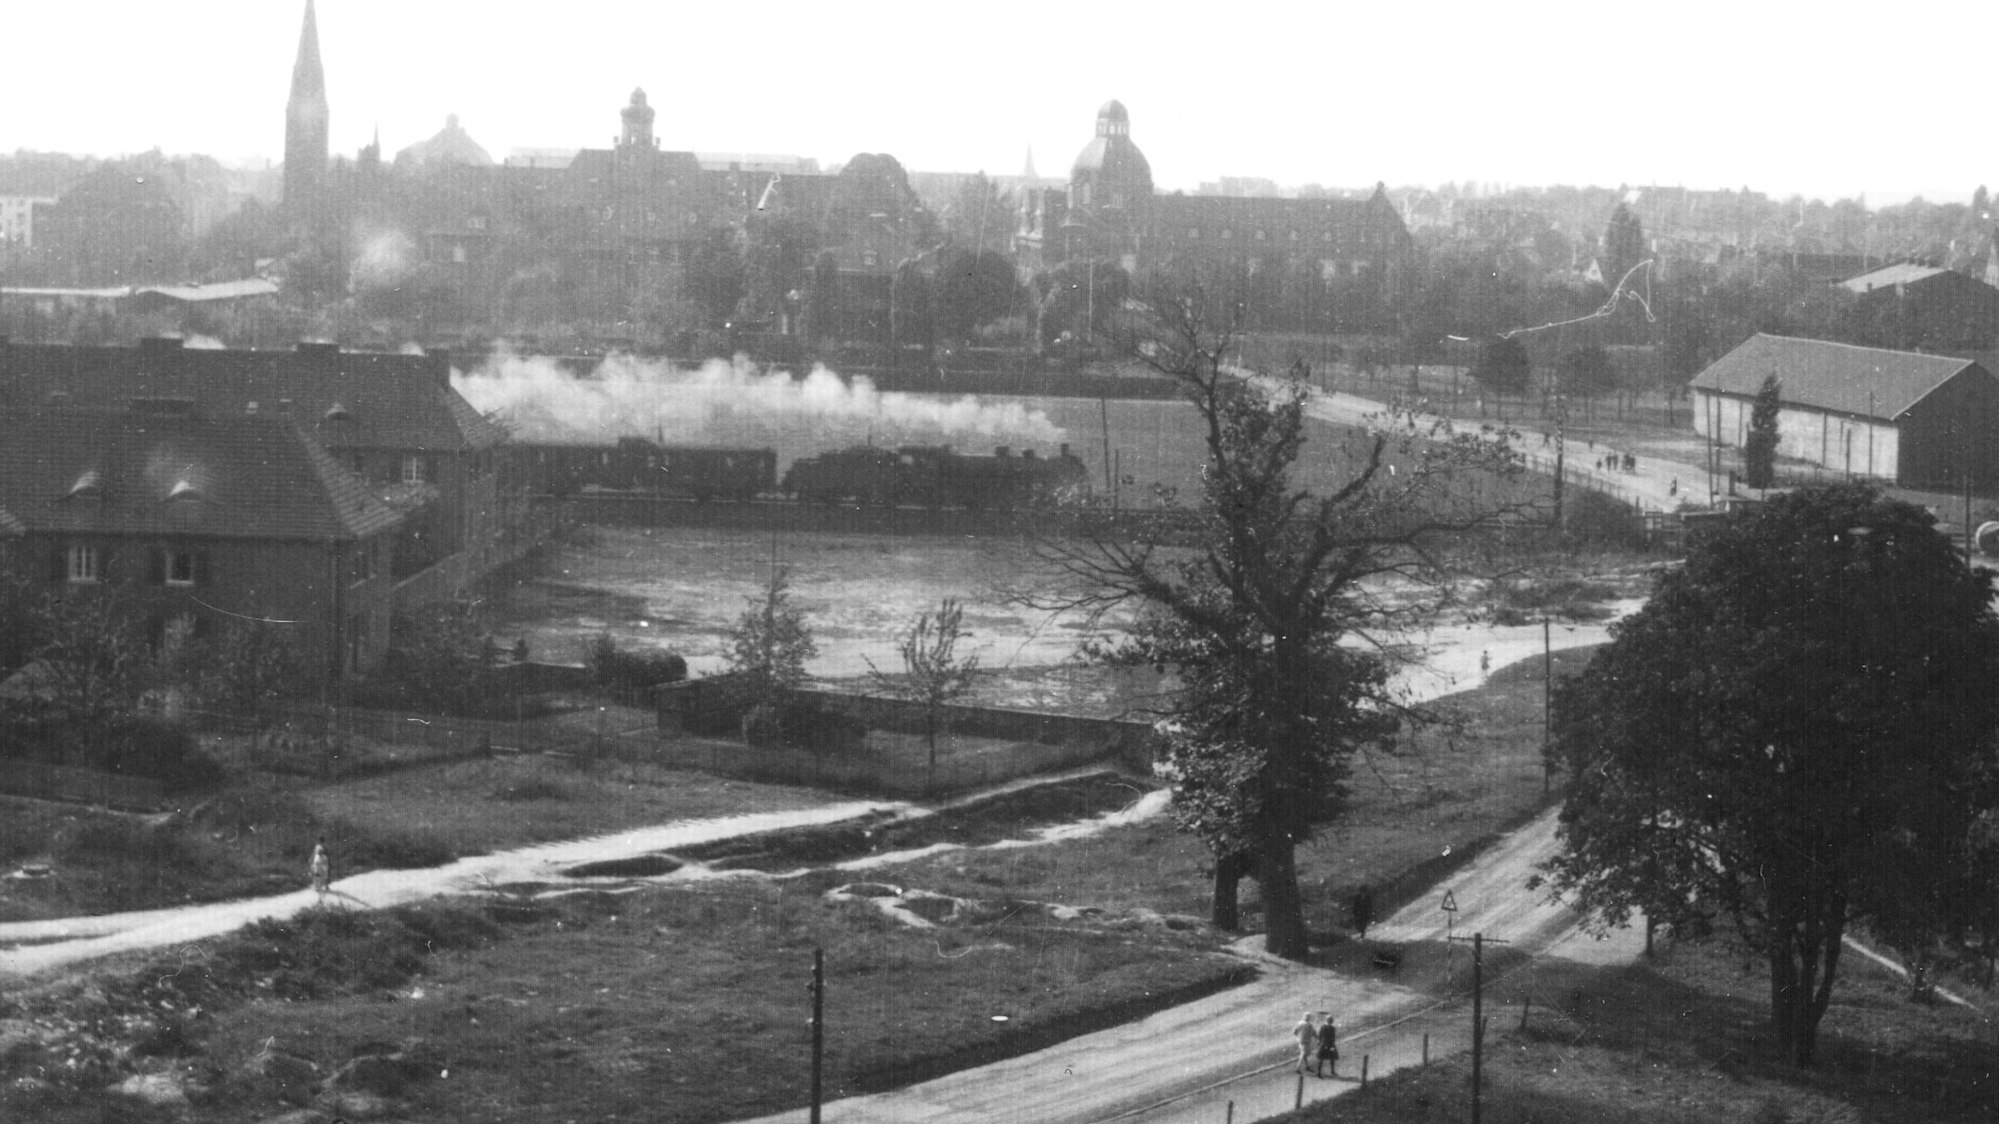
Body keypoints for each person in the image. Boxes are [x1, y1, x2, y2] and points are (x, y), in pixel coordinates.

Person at [1314, 1014, 1340, 1078]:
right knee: (1328, 1058)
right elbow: (1322, 1036)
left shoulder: (1326, 1027)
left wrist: (1319, 1042)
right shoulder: (1330, 1027)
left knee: (1326, 1058)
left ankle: (1327, 1072)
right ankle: (1323, 1072)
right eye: (1331, 1020)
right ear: (1329, 1021)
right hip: (1328, 1044)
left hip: (1326, 1044)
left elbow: (1320, 1036)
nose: (1331, 1021)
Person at [308, 837, 331, 901]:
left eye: (320, 840)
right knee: (316, 874)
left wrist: (327, 862)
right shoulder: (317, 846)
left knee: (325, 874)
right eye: (319, 840)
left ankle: (325, 886)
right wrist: (311, 858)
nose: (319, 841)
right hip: (317, 860)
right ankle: (317, 886)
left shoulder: (325, 846)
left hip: (323, 860)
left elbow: (328, 854)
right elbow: (314, 853)